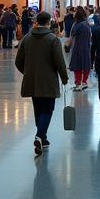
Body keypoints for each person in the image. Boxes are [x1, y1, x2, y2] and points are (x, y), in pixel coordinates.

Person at [15, 10, 68, 156]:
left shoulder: (26, 38)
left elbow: (18, 61)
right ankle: (39, 136)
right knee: (47, 110)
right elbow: (59, 62)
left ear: (36, 22)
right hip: (48, 81)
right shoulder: (52, 39)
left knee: (38, 109)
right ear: (49, 21)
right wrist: (64, 78)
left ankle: (43, 138)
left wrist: (27, 73)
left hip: (31, 80)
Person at [67, 6, 92, 89]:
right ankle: (84, 82)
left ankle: (78, 83)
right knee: (86, 64)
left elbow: (71, 37)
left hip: (77, 47)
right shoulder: (87, 24)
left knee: (77, 65)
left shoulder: (76, 25)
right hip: (86, 46)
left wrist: (68, 46)